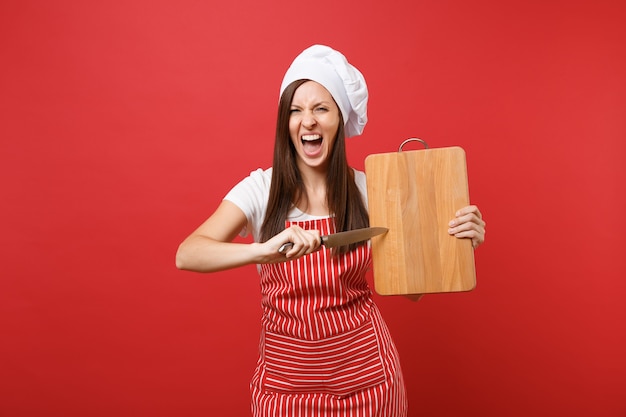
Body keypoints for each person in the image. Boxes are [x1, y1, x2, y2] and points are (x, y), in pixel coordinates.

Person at [176, 44, 486, 417]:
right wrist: (265, 250)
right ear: (285, 124)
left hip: (369, 383)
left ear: (339, 118)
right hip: (285, 390)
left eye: (320, 108)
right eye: (296, 110)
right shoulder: (260, 189)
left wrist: (457, 242)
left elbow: (413, 293)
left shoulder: (368, 191)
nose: (308, 121)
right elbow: (188, 253)